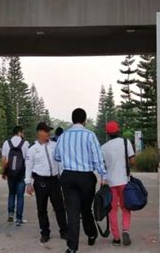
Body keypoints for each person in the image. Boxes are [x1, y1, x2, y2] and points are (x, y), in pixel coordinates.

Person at [54, 108, 107, 253]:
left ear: (72, 120)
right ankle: (91, 234)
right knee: (85, 209)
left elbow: (57, 156)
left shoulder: (63, 136)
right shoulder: (90, 135)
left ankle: (72, 247)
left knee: (72, 212)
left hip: (68, 177)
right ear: (85, 120)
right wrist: (103, 176)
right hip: (86, 178)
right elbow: (97, 158)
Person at [25, 122, 68, 243]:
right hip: (40, 181)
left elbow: (60, 162)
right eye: (46, 131)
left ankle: (64, 231)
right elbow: (28, 166)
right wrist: (28, 183)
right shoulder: (32, 149)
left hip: (54, 180)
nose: (49, 133)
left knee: (59, 207)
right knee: (42, 208)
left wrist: (63, 175)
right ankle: (45, 232)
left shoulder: (54, 145)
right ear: (40, 132)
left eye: (49, 131)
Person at [101, 121, 135, 246]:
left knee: (112, 210)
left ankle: (116, 237)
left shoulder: (103, 147)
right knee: (126, 207)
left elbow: (102, 165)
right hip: (124, 181)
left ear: (107, 133)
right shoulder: (126, 143)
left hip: (110, 182)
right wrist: (126, 166)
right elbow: (132, 161)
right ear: (118, 131)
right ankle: (125, 229)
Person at [1, 126, 29, 226]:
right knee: (20, 195)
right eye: (23, 132)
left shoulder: (6, 143)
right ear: (19, 132)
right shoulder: (25, 143)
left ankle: (10, 214)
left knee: (11, 193)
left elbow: (4, 159)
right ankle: (19, 219)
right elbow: (27, 160)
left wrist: (3, 172)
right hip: (21, 173)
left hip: (10, 173)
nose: (23, 134)